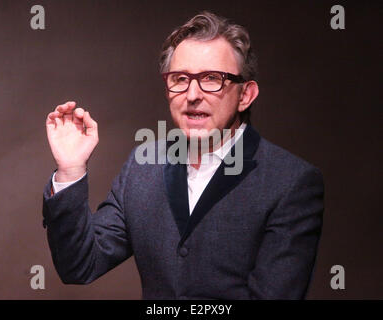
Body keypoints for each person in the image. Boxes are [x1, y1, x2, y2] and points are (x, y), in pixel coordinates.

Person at [43, 11, 324, 299]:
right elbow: (80, 265)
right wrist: (70, 171)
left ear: (245, 95)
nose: (192, 95)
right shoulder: (143, 165)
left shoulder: (291, 182)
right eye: (180, 79)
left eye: (212, 78)